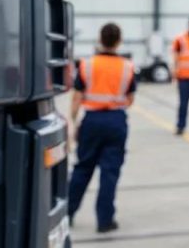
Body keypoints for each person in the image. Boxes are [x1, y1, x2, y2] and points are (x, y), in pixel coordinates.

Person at [68, 23, 135, 234]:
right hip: (116, 121)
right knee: (110, 172)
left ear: (100, 39)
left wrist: (74, 121)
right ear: (119, 41)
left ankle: (68, 213)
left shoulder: (87, 65)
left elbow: (77, 98)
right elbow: (130, 99)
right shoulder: (127, 67)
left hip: (92, 121)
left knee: (83, 168)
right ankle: (105, 221)